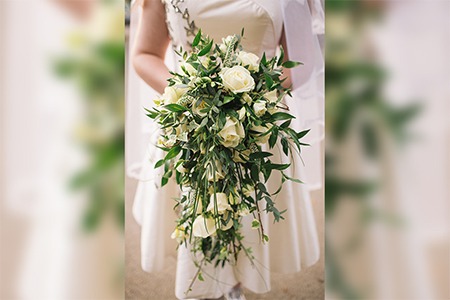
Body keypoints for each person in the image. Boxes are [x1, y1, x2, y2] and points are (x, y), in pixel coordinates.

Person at [130, 0, 324, 299]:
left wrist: (249, 96)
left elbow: (302, 61)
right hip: (187, 121)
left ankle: (233, 287)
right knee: (197, 221)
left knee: (247, 220)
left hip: (258, 126)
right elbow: (144, 54)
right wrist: (193, 93)